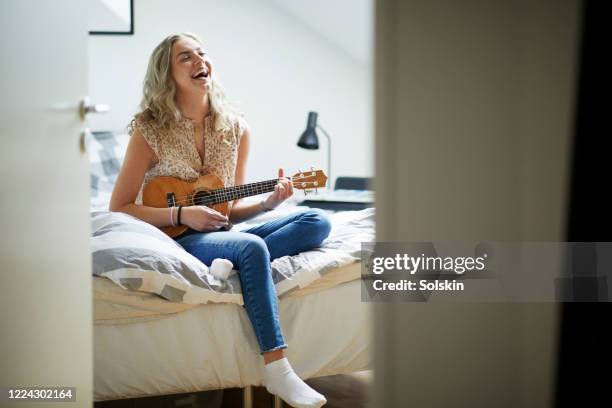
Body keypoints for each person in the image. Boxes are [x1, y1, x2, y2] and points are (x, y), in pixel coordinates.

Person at [109, 32, 331, 408]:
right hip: (177, 237)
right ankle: (277, 366)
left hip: (220, 234)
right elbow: (120, 207)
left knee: (316, 222)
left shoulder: (236, 129)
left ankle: (228, 267)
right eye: (185, 57)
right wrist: (182, 213)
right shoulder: (149, 130)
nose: (199, 61)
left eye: (202, 53)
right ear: (167, 73)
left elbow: (231, 212)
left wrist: (269, 204)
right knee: (250, 246)